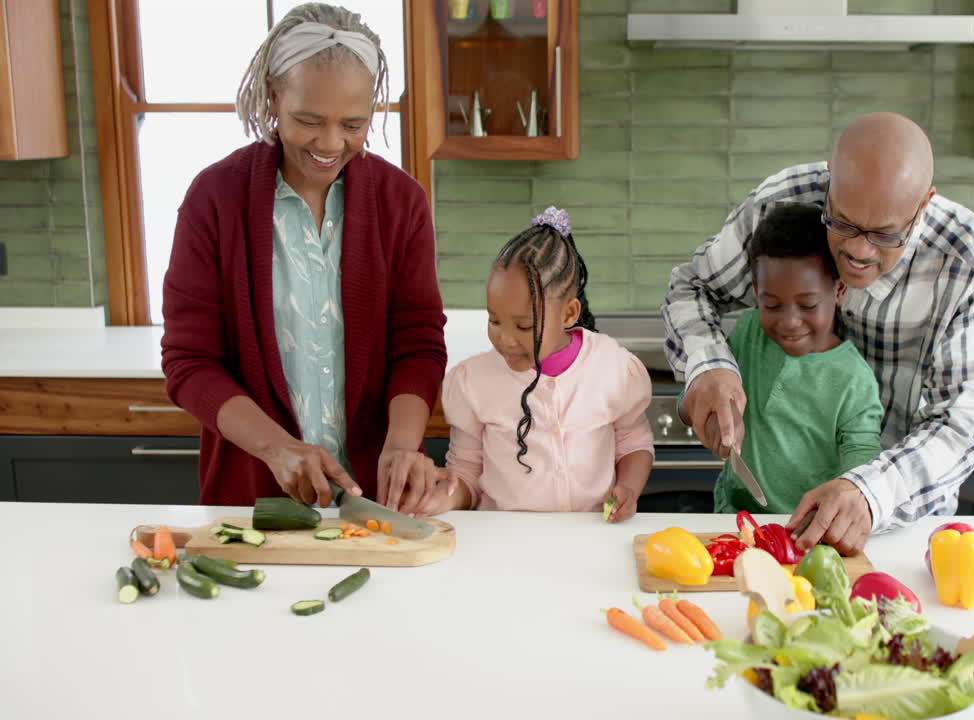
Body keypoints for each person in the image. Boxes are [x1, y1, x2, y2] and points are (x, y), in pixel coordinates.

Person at [663, 112, 974, 553]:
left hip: (900, 523)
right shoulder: (780, 204)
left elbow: (962, 422)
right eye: (842, 222)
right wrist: (708, 368)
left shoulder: (965, 260)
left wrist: (869, 491)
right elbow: (692, 287)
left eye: (884, 234)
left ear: (923, 205)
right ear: (829, 184)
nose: (859, 252)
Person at [161, 3, 447, 513]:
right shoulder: (214, 199)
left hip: (381, 505)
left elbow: (418, 342)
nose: (331, 144)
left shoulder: (402, 202)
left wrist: (403, 444)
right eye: (308, 120)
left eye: (353, 125)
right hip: (254, 503)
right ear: (274, 96)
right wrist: (279, 450)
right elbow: (190, 362)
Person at [419, 207, 654, 521]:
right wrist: (443, 498)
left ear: (569, 314)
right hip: (506, 542)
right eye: (494, 320)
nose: (504, 339)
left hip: (592, 538)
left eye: (524, 326)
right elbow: (466, 470)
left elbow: (633, 444)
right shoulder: (473, 382)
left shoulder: (613, 369)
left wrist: (628, 487)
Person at [684, 203, 883, 515]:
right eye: (772, 305)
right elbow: (692, 401)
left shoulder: (855, 380)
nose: (790, 321)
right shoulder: (748, 332)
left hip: (809, 530)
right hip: (734, 515)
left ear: (840, 290)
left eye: (807, 305)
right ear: (756, 291)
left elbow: (863, 460)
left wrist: (849, 495)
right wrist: (708, 414)